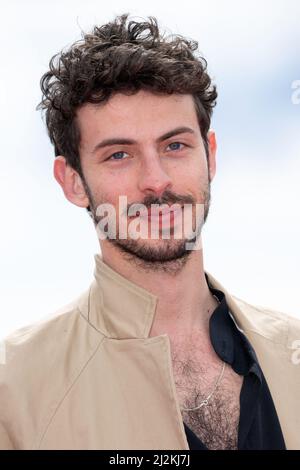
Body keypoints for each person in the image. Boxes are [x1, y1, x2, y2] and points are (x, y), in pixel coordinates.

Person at [0, 13, 299, 451]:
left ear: (209, 156)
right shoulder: (14, 389)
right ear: (73, 182)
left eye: (175, 146)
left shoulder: (291, 350)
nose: (156, 181)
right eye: (119, 154)